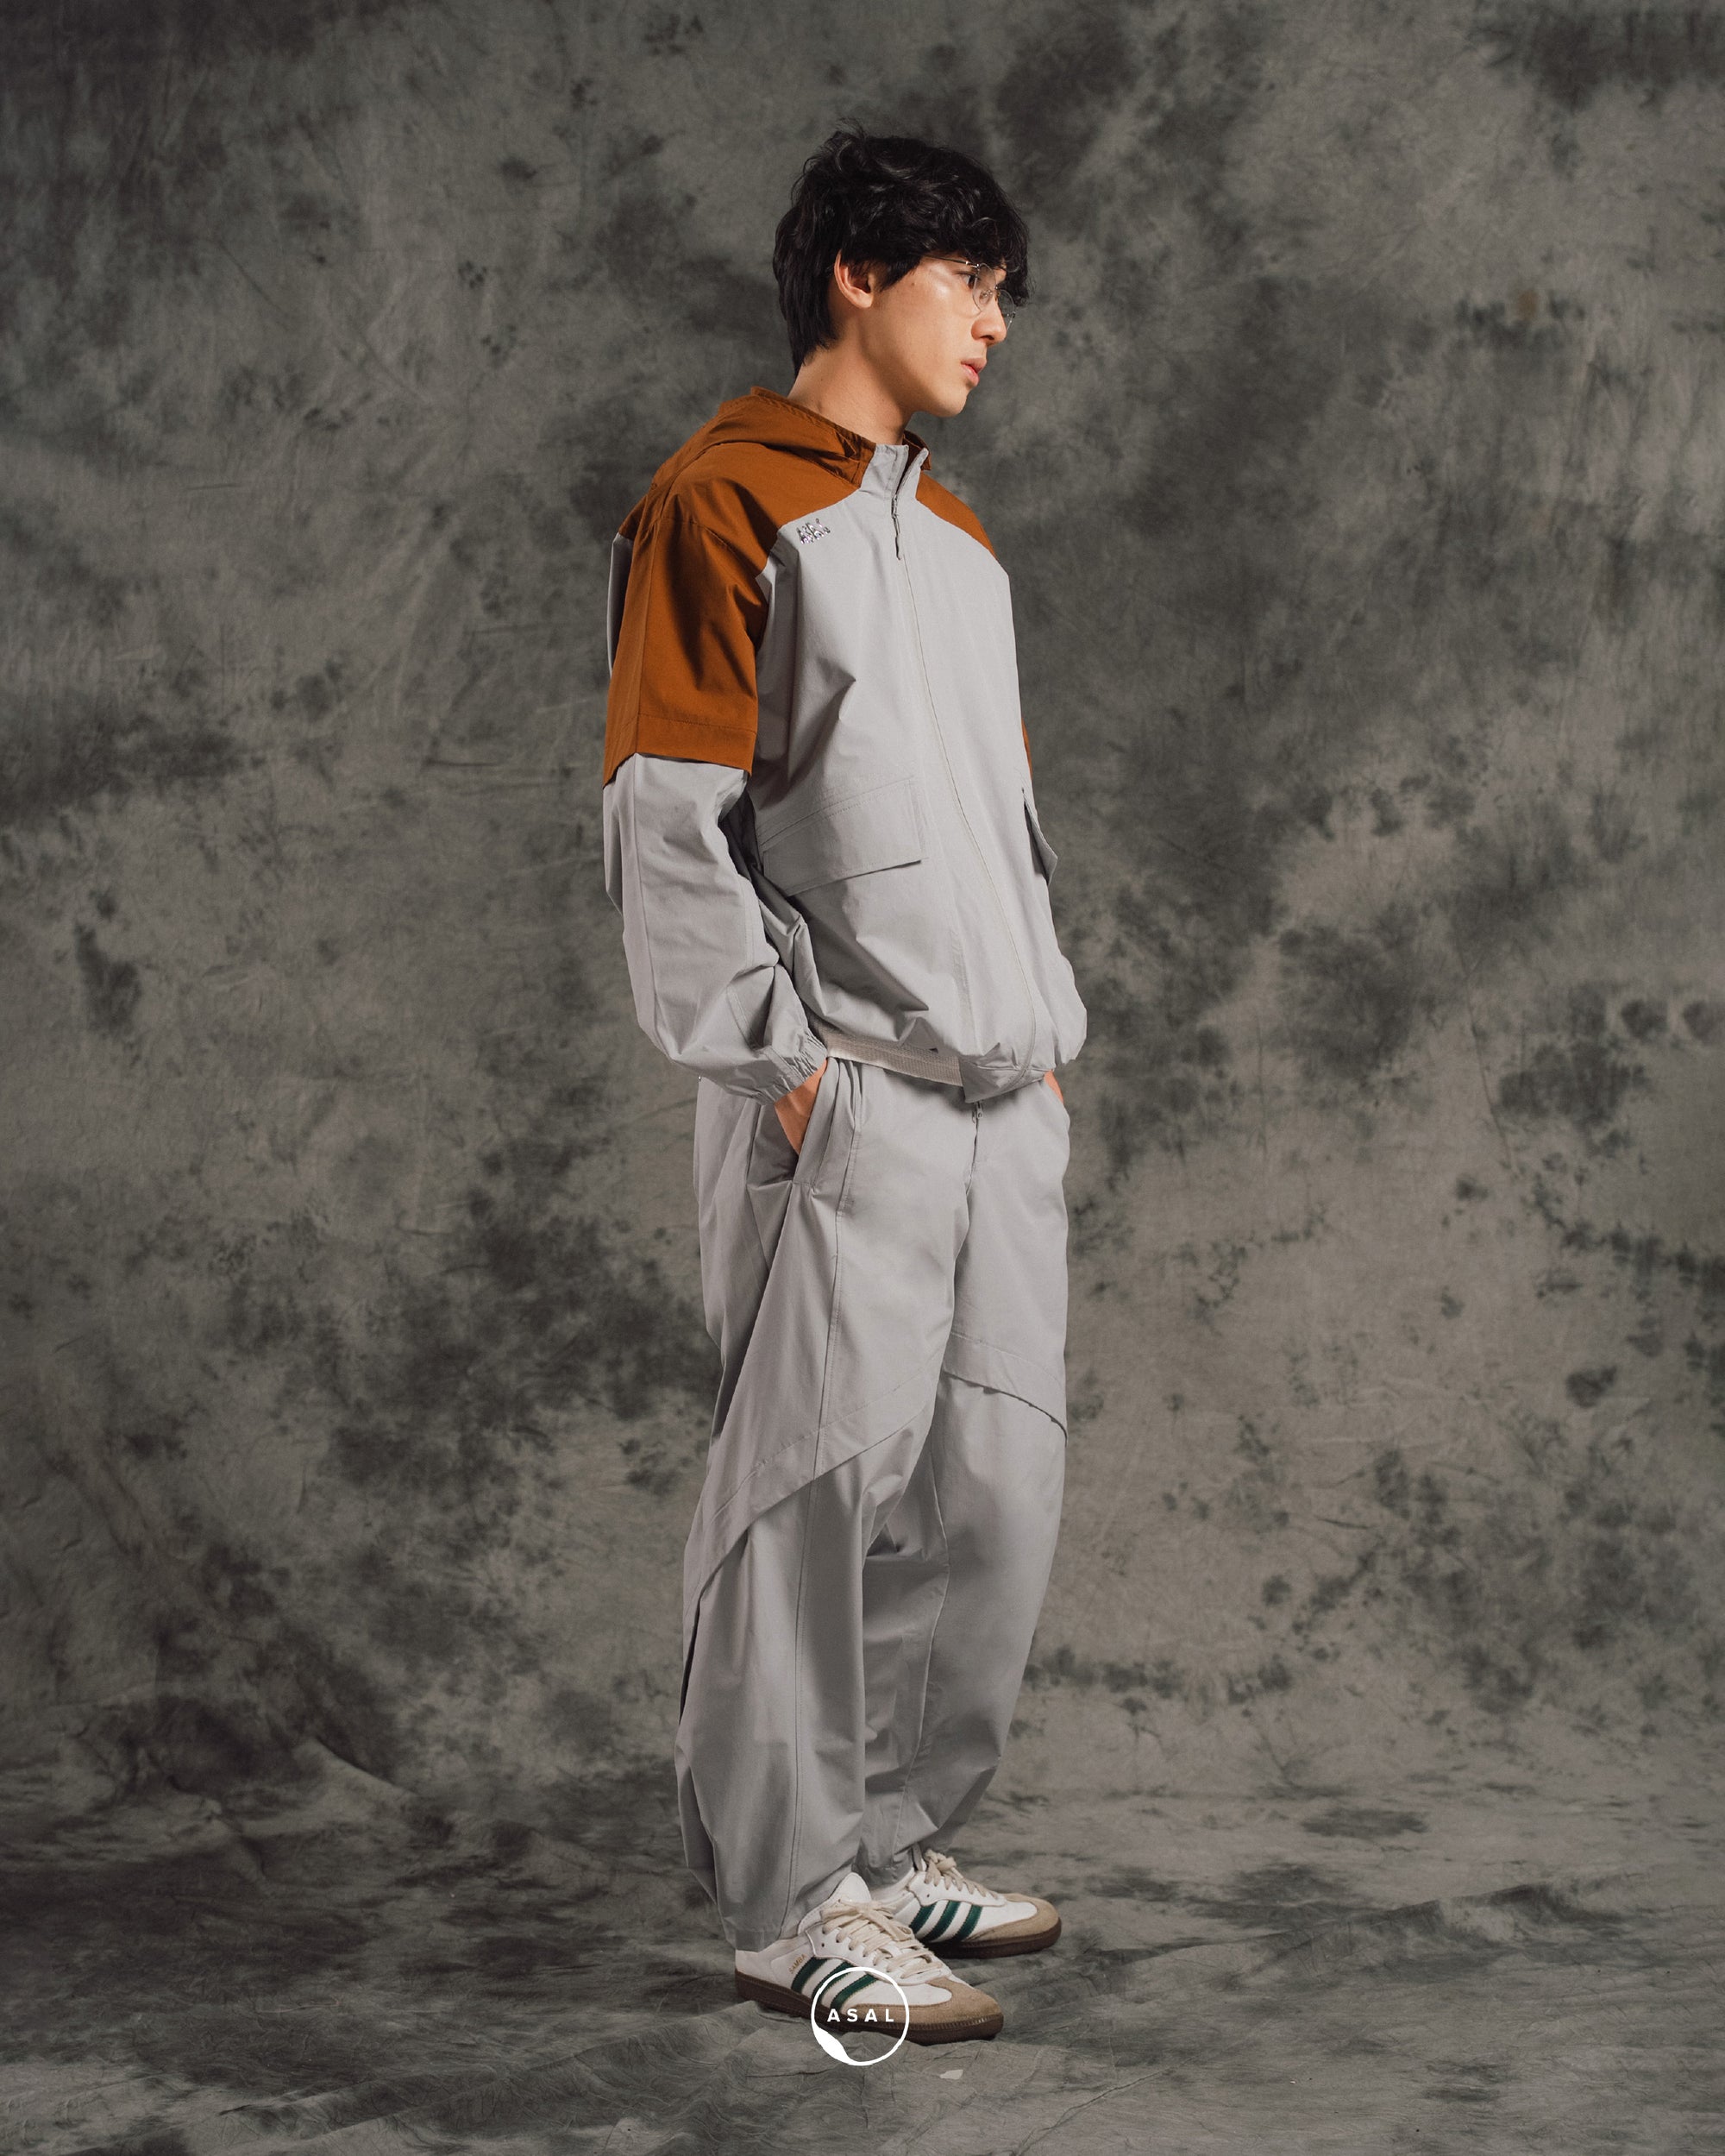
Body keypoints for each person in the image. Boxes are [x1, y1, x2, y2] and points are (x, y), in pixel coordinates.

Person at [599, 123, 1087, 2046]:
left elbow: (1000, 829)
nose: (994, 321)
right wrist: (782, 1069)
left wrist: (1041, 1038)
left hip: (997, 1095)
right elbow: (668, 821)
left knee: (985, 1496)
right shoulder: (721, 504)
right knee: (812, 1497)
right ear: (857, 278)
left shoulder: (957, 546)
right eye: (968, 280)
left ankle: (886, 1842)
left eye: (1002, 290)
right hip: (845, 1095)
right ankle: (790, 1902)